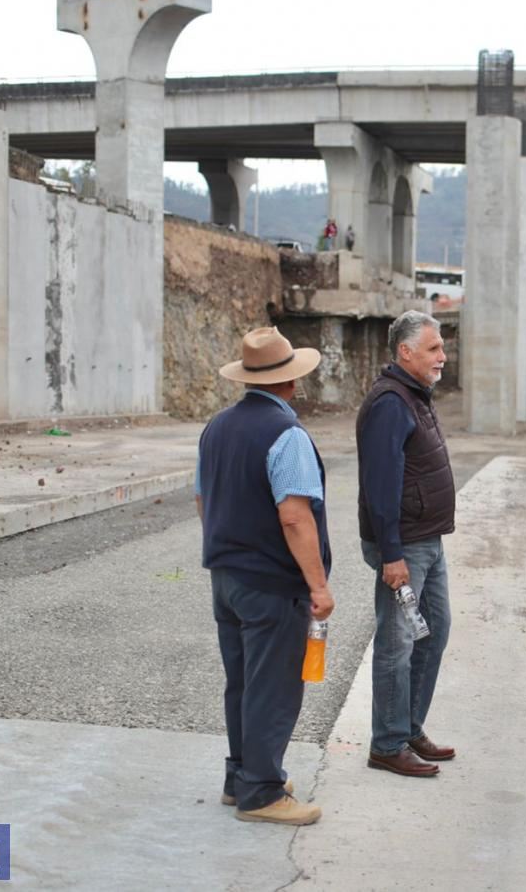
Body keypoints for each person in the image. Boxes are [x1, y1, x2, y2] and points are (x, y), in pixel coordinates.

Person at [195, 327, 335, 825]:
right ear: (291, 382)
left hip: (225, 576)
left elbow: (202, 499)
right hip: (272, 585)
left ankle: (243, 776)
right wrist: (318, 586)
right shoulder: (287, 435)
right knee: (273, 686)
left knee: (242, 682)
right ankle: (262, 791)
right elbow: (295, 516)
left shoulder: (216, 426)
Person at [357, 310, 457, 776]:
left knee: (433, 631)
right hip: (404, 547)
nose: (443, 356)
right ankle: (387, 743)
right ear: (406, 351)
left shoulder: (415, 395)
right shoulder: (390, 404)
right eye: (434, 348)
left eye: (441, 347)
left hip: (427, 541)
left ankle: (409, 727)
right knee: (398, 642)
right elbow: (381, 488)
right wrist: (392, 554)